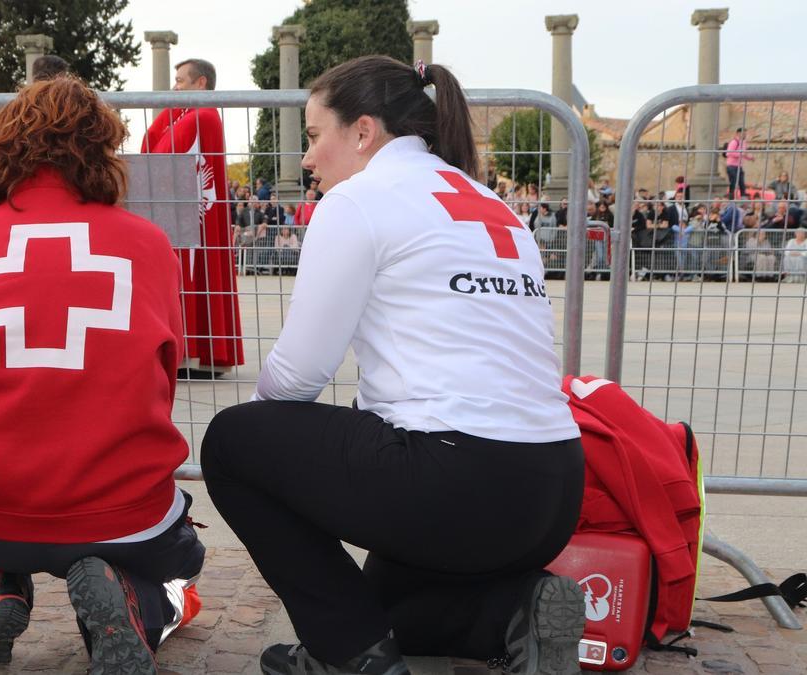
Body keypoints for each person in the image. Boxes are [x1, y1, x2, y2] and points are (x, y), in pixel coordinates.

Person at [202, 56, 585, 675]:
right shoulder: (490, 201)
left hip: (455, 477)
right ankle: (515, 608)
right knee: (379, 604)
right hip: (553, 485)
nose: (306, 158)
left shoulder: (358, 200)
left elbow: (297, 377)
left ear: (362, 133)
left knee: (232, 443)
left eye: (312, 136)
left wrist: (280, 447)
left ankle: (355, 659)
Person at [0, 76, 204, 673]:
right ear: (102, 150)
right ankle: (131, 597)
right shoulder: (147, 244)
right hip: (116, 507)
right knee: (182, 552)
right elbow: (164, 371)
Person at [141, 57, 245, 377]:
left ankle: (199, 353)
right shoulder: (185, 114)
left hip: (193, 217)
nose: (175, 87)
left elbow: (160, 152)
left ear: (201, 84)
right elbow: (150, 142)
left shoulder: (203, 116)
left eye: (181, 81)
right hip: (183, 214)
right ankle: (193, 352)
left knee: (194, 274)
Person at [725, 127, 756, 200]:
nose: (745, 135)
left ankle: (743, 197)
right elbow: (728, 153)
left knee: (741, 182)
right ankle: (731, 197)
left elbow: (744, 154)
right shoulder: (734, 142)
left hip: (739, 166)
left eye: (745, 133)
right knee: (733, 182)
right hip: (732, 166)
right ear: (738, 134)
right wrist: (741, 154)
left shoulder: (744, 143)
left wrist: (750, 158)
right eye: (743, 133)